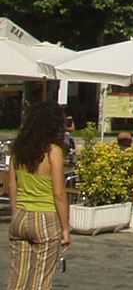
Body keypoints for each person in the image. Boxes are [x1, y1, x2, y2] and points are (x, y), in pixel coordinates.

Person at [6, 101, 71, 290]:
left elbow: (12, 185)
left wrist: (16, 212)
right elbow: (59, 192)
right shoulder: (53, 151)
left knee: (17, 279)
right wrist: (65, 228)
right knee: (40, 280)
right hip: (45, 217)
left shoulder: (18, 149)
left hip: (20, 216)